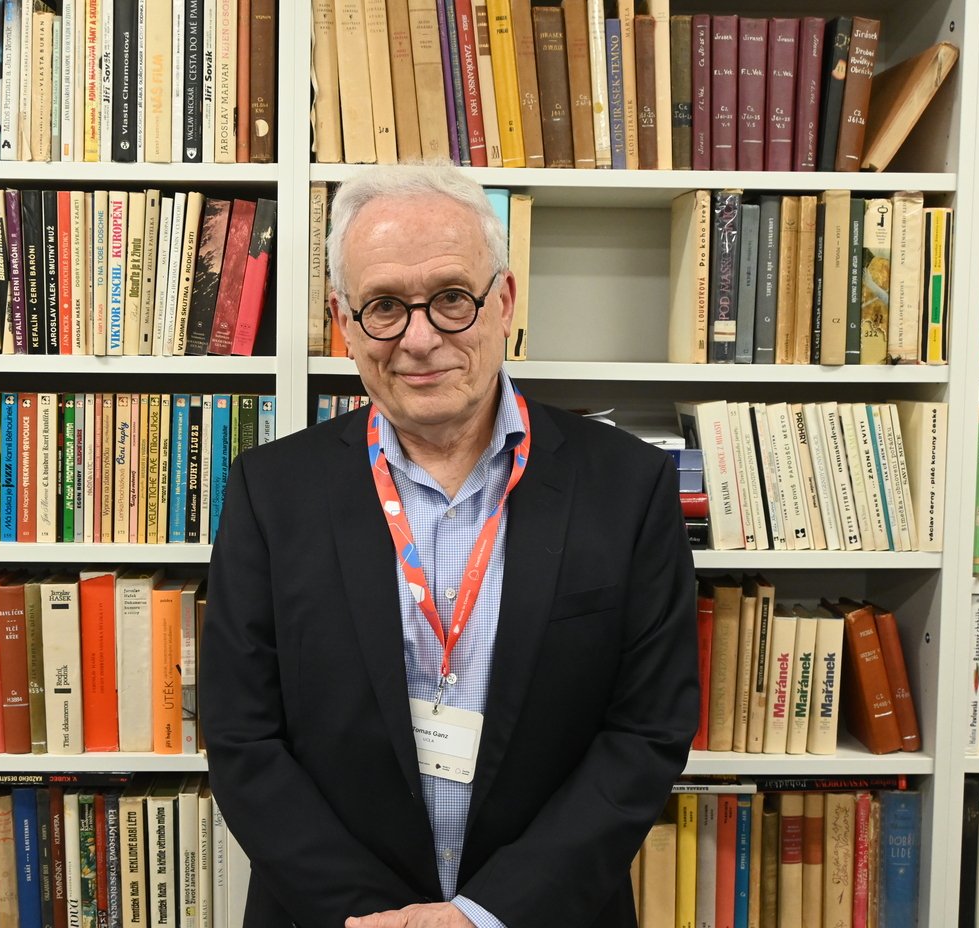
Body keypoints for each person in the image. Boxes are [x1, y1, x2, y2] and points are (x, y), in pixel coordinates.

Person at [201, 162, 698, 928]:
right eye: (384, 306)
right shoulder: (272, 493)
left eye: (451, 298)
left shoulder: (629, 488)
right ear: (343, 322)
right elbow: (242, 737)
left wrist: (483, 915)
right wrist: (372, 918)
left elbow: (646, 732)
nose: (420, 338)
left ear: (503, 300)